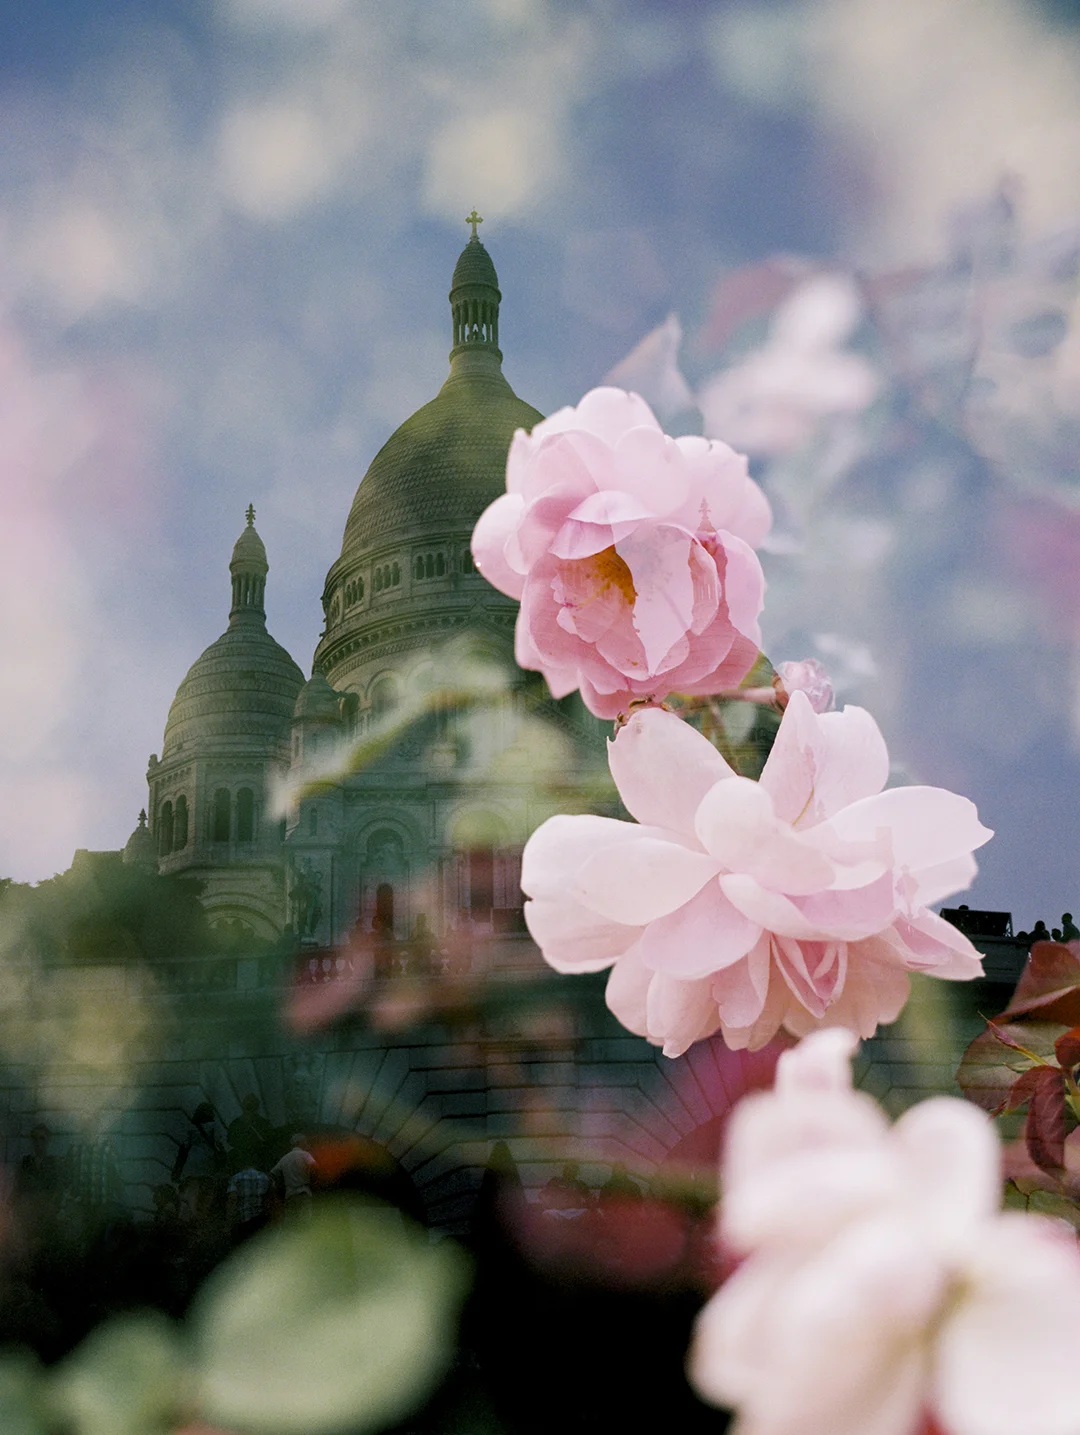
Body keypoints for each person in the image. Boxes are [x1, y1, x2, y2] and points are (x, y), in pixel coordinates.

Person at [226, 1164, 271, 1244]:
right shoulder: (264, 1177)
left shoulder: (236, 1178)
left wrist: (228, 1222)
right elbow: (269, 1199)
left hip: (243, 1222)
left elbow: (232, 1200)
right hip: (261, 1221)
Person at [271, 1134, 316, 1208]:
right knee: (305, 1215)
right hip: (303, 1192)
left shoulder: (285, 1158)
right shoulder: (305, 1155)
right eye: (305, 1142)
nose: (306, 1144)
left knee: (292, 1214)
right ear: (299, 1142)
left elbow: (273, 1173)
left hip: (289, 1194)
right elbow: (315, 1167)